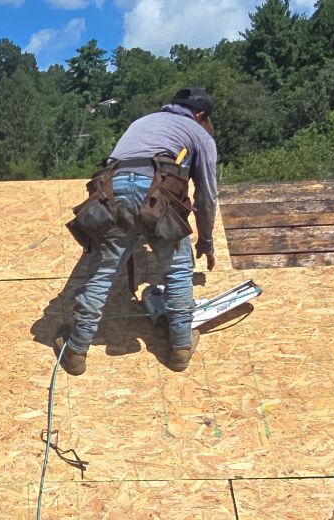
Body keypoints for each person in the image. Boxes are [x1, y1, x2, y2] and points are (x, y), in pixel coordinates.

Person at [60, 88, 220, 376]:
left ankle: (75, 350)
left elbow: (116, 166)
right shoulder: (199, 134)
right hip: (155, 190)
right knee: (179, 268)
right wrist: (206, 240)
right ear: (201, 115)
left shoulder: (142, 122)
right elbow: (206, 196)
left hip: (111, 190)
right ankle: (181, 347)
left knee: (104, 269)